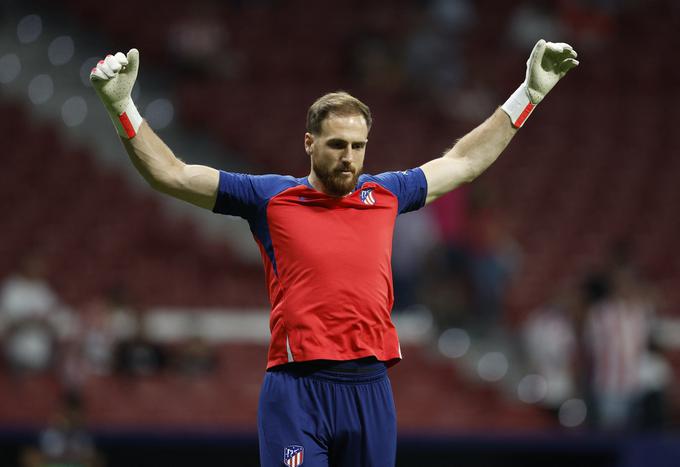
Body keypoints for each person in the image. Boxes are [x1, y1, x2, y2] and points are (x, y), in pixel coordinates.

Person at [89, 39, 577, 466]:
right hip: (296, 389)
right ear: (309, 143)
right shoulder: (269, 198)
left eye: (358, 146)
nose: (349, 157)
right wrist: (121, 107)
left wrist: (528, 94)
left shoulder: (386, 194)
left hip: (370, 387)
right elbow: (171, 173)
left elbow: (464, 160)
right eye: (338, 144)